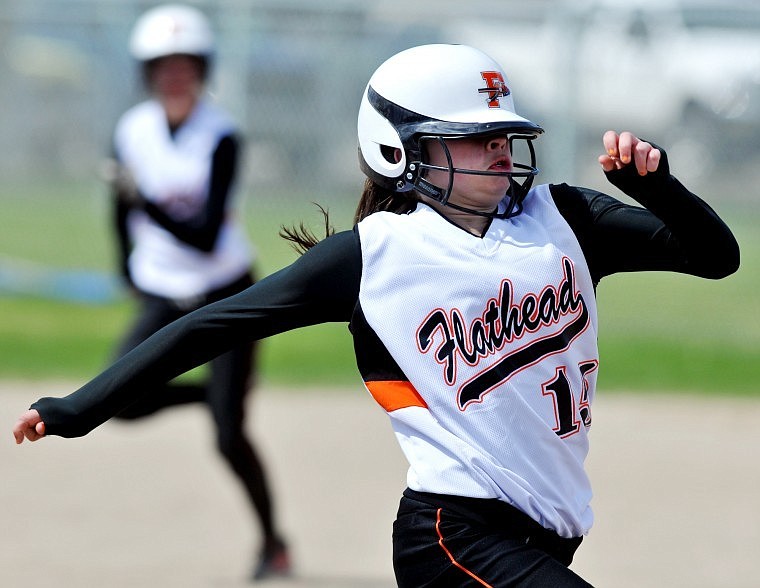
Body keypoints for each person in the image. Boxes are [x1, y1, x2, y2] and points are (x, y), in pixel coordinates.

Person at [14, 44, 739, 587]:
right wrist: (78, 408)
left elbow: (715, 256)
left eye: (501, 134)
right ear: (402, 149)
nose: (498, 148)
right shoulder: (375, 257)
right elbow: (212, 325)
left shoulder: (567, 217)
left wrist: (660, 187)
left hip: (549, 530)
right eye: (470, 135)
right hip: (454, 535)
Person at [99, 4, 289, 580]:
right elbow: (119, 209)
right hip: (162, 287)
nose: (174, 76)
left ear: (202, 69)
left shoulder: (221, 134)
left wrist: (144, 203)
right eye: (162, 66)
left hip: (223, 287)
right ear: (147, 73)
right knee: (119, 399)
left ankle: (272, 544)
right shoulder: (133, 129)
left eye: (185, 65)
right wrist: (127, 267)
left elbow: (206, 235)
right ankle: (216, 394)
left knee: (230, 438)